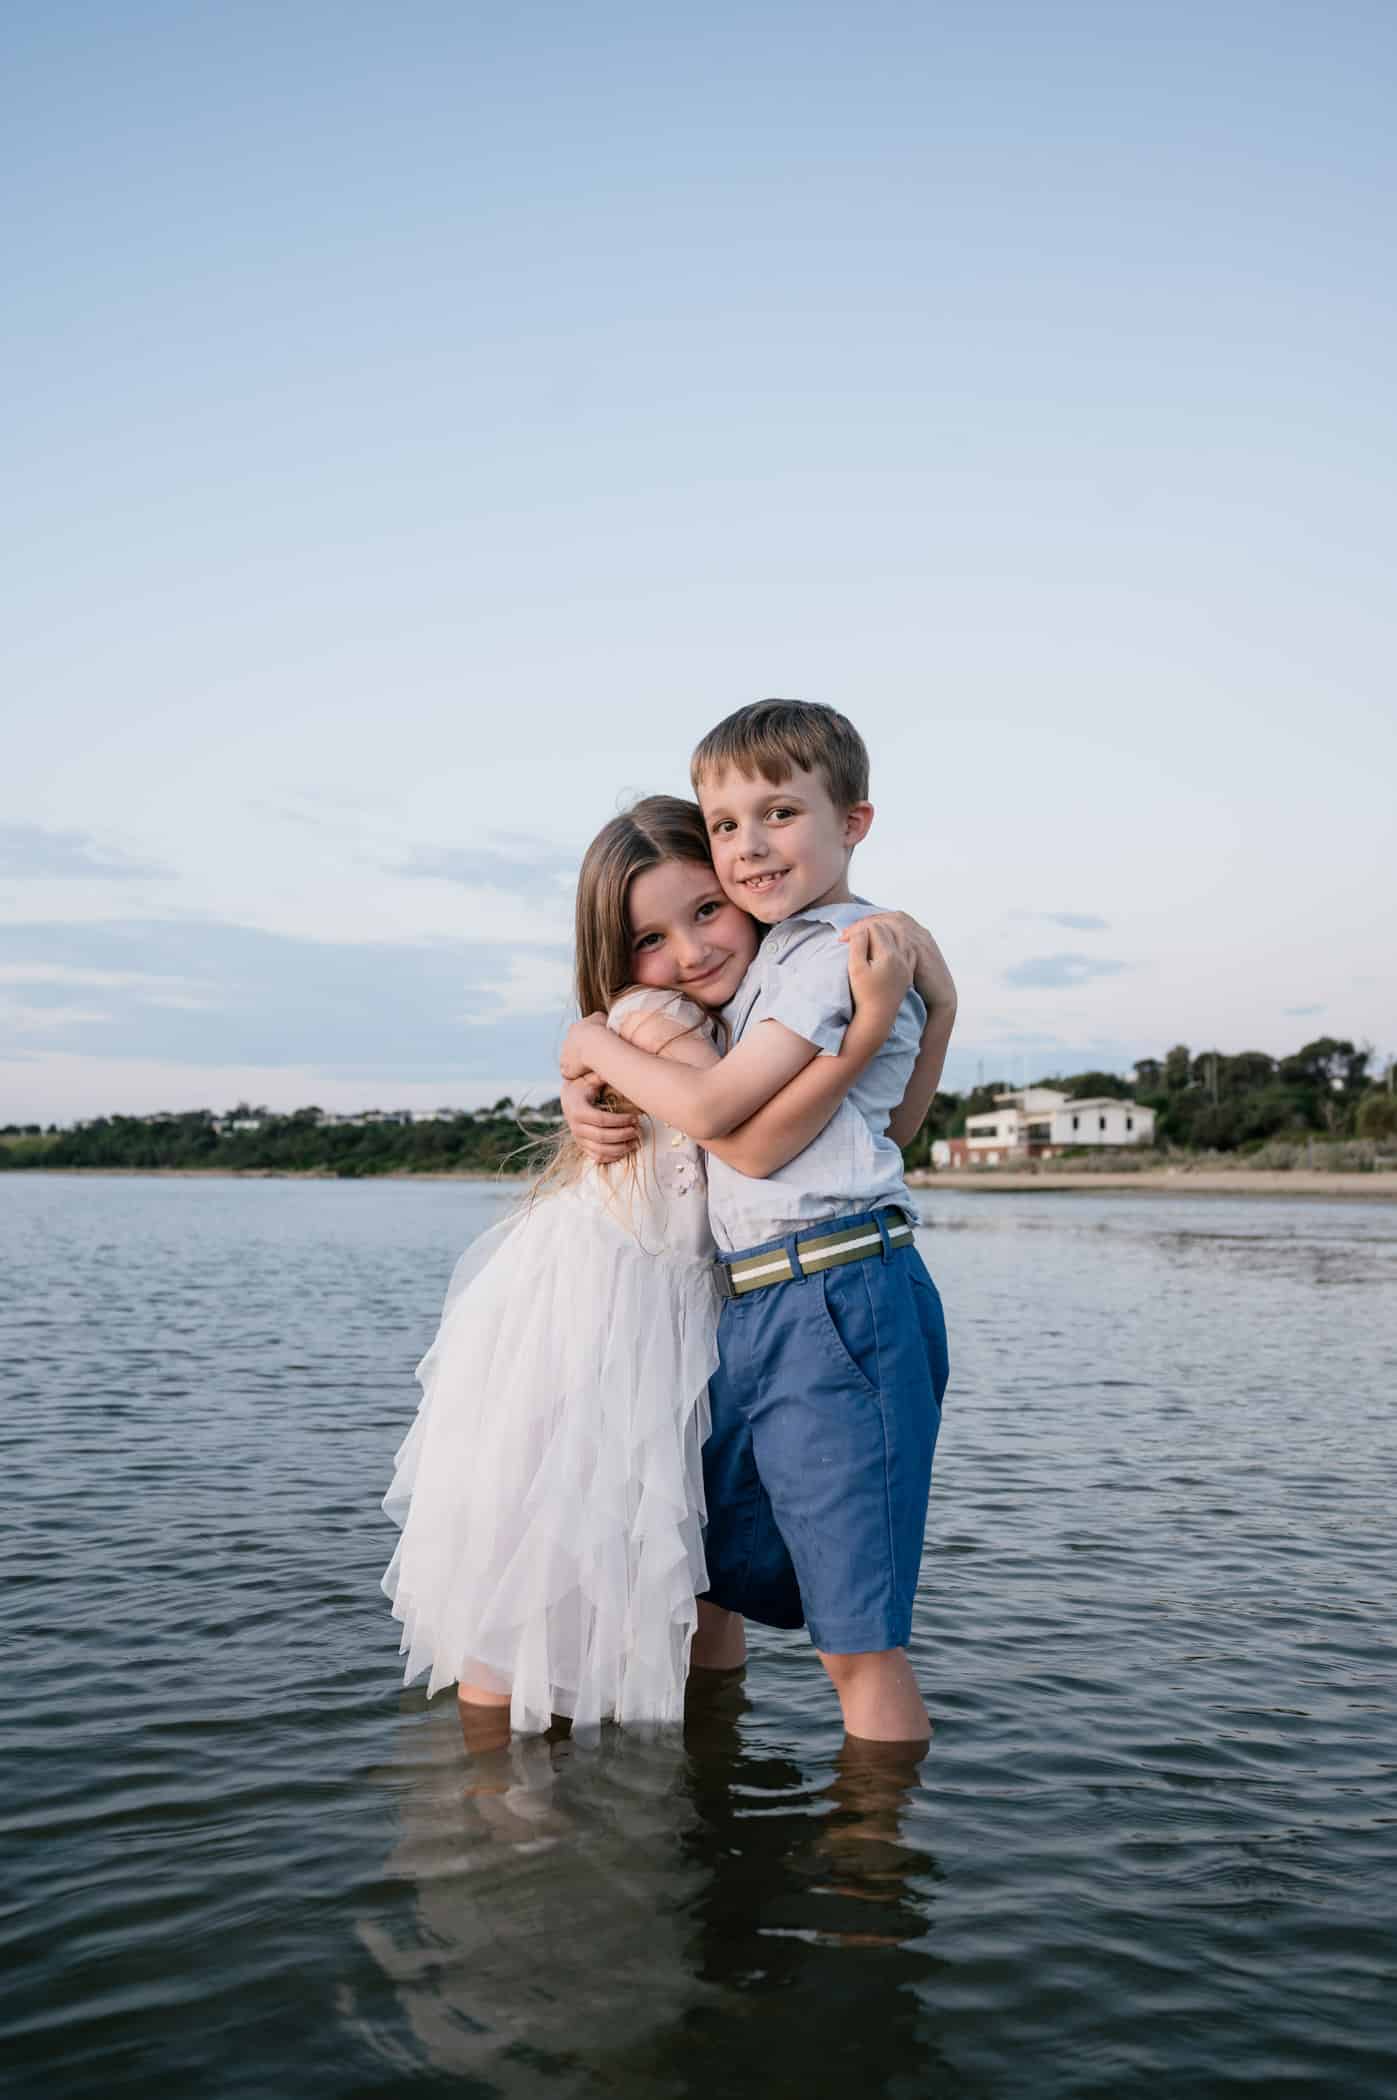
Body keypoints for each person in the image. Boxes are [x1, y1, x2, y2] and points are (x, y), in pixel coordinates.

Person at [382, 793, 944, 1736]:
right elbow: (732, 1127)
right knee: (545, 1564)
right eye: (649, 938)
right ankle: (494, 1796)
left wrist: (928, 1014)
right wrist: (588, 1042)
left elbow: (870, 1131)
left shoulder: (759, 1013)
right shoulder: (657, 1019)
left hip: (687, 1311)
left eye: (705, 911)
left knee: (692, 1574)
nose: (689, 951)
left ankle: (690, 1764)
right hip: (603, 1320)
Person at [559, 701, 956, 1746]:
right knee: (712, 1576)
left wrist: (586, 1041)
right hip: (761, 1300)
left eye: (779, 814)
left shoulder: (839, 954)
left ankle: (873, 1847)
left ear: (852, 822)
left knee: (855, 1640)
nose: (748, 846)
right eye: (725, 825)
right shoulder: (773, 959)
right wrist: (581, 1071)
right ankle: (713, 1799)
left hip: (837, 1290)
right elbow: (885, 1123)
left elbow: (735, 1133)